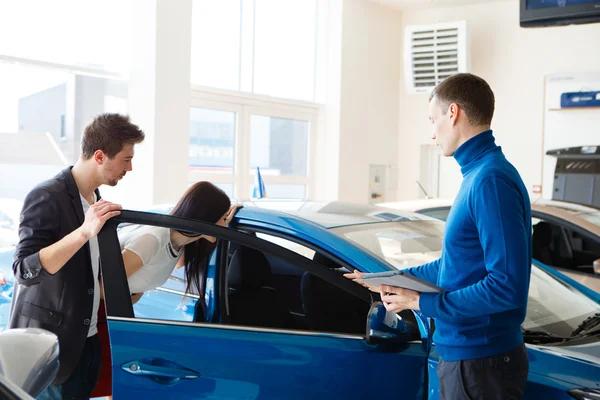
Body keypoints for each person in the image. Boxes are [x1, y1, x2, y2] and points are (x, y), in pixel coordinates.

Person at [348, 73, 532, 400]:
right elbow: (455, 266)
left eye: (433, 120)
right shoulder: (478, 175)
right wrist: (392, 279)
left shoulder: (490, 180)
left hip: (481, 360)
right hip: (470, 357)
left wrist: (422, 302)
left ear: (453, 113)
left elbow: (506, 286)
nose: (432, 133)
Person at [9, 113, 145, 400]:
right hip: (48, 352)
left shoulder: (95, 201)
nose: (130, 168)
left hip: (87, 344)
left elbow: (88, 273)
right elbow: (24, 269)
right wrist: (83, 232)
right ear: (99, 155)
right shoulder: (47, 196)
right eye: (126, 159)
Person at [119, 182, 239, 302]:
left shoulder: (178, 245)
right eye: (223, 219)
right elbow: (104, 288)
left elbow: (139, 282)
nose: (225, 226)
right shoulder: (152, 241)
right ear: (206, 216)